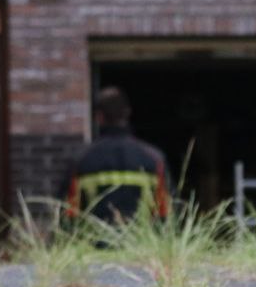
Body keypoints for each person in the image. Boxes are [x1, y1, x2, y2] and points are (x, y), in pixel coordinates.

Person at [63, 86, 173, 226]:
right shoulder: (154, 159)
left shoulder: (81, 160)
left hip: (92, 247)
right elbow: (166, 214)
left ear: (99, 117)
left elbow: (68, 215)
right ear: (127, 113)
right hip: (142, 247)